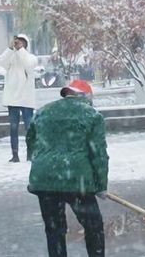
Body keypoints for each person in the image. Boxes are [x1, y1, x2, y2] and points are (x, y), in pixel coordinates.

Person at [26, 79, 108, 257]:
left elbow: (31, 141)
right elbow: (98, 154)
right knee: (93, 226)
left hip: (44, 179)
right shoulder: (92, 115)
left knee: (54, 230)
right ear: (85, 96)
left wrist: (42, 162)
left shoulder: (42, 112)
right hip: (77, 180)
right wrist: (101, 185)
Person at [0, 33, 38, 163]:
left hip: (26, 99)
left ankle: (30, 153)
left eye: (21, 42)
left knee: (29, 128)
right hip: (12, 98)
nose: (18, 44)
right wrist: (10, 49)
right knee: (13, 128)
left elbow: (28, 64)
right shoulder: (11, 57)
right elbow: (2, 63)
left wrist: (21, 50)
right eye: (17, 42)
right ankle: (15, 155)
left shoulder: (31, 57)